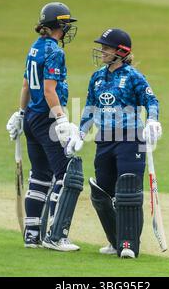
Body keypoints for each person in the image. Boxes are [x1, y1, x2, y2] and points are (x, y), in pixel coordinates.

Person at [66, 28, 162, 258]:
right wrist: (80, 133)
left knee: (127, 191)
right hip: (104, 141)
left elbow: (151, 100)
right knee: (102, 193)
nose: (102, 51)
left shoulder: (133, 76)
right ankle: (114, 240)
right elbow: (90, 107)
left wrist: (152, 121)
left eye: (106, 48)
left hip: (130, 139)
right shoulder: (98, 77)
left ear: (120, 51)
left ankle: (128, 245)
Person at [6, 2, 84, 252]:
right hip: (47, 119)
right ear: (58, 25)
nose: (67, 29)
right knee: (64, 175)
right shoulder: (55, 52)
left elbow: (26, 86)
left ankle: (31, 235)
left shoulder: (35, 47)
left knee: (40, 176)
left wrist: (21, 113)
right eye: (66, 24)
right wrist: (61, 119)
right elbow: (49, 90)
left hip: (31, 117)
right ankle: (55, 235)